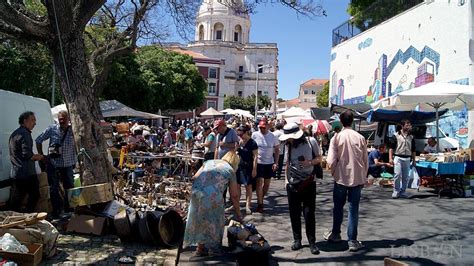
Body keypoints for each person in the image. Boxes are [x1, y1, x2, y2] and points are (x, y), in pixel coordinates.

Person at [324, 110, 368, 252]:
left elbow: (330, 161)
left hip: (341, 178)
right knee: (353, 209)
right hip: (356, 178)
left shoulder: (336, 138)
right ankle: (352, 240)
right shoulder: (360, 138)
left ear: (341, 122)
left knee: (338, 207)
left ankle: (336, 234)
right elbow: (365, 161)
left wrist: (333, 172)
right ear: (352, 121)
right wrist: (363, 177)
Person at [183, 151, 241, 256]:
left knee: (199, 219)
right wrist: (239, 212)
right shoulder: (230, 170)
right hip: (212, 196)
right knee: (214, 221)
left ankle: (200, 248)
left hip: (197, 193)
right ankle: (213, 249)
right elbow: (234, 195)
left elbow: (195, 177)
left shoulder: (209, 162)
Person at [280, 122, 322, 255]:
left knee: (309, 213)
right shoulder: (289, 145)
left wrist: (309, 162)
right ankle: (297, 239)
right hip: (293, 184)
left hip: (309, 182)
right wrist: (286, 181)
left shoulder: (311, 141)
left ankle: (312, 242)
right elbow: (287, 163)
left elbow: (319, 158)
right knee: (294, 213)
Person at [36, 110, 77, 218]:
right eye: (60, 120)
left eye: (64, 119)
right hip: (53, 164)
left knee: (70, 187)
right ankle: (57, 211)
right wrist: (42, 156)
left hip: (68, 164)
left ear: (68, 119)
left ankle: (70, 209)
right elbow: (38, 140)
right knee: (53, 189)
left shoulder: (73, 130)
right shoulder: (52, 128)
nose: (62, 122)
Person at [9, 111, 44, 212]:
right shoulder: (25, 134)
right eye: (32, 120)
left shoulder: (15, 133)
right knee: (34, 195)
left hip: (17, 172)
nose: (35, 123)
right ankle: (27, 217)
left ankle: (16, 218)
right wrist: (39, 157)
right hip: (26, 173)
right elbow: (27, 155)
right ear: (25, 121)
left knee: (17, 200)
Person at [252, 119, 279, 213]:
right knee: (259, 183)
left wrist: (276, 162)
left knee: (266, 184)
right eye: (260, 127)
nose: (262, 129)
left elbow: (277, 150)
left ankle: (261, 198)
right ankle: (260, 204)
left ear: (267, 127)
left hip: (269, 163)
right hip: (259, 162)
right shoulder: (255, 135)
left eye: (263, 128)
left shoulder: (273, 136)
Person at [389, 119, 416, 199]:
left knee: (405, 176)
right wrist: (390, 158)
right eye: (407, 125)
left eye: (409, 125)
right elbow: (391, 148)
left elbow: (413, 150)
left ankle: (403, 192)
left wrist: (414, 161)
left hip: (407, 158)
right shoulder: (396, 135)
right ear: (402, 126)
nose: (408, 127)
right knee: (397, 175)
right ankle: (396, 191)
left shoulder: (411, 136)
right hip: (398, 157)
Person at [235, 125, 258, 215]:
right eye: (239, 135)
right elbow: (238, 154)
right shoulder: (240, 142)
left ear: (246, 132)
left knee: (248, 187)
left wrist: (254, 169)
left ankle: (248, 205)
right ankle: (236, 204)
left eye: (241, 134)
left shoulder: (252, 143)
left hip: (248, 166)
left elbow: (255, 157)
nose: (240, 136)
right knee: (237, 186)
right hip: (240, 166)